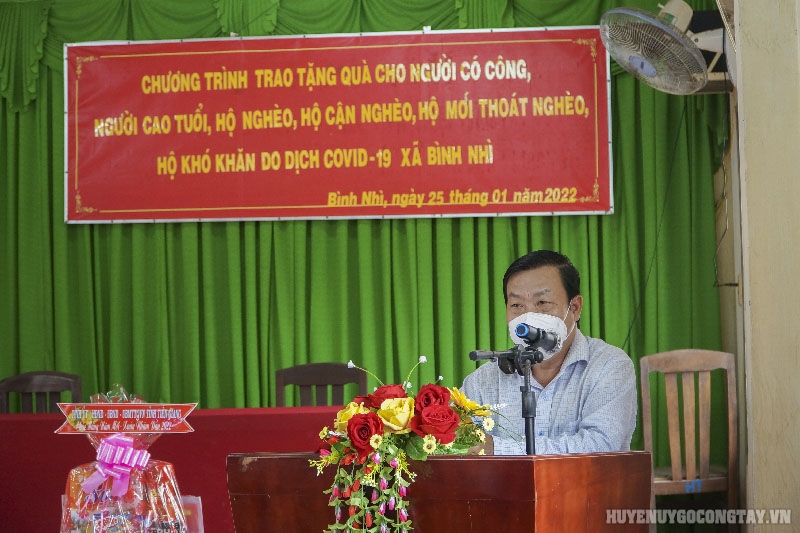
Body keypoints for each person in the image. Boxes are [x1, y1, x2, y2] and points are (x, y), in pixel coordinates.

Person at [461, 250, 637, 455]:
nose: (528, 317)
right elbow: (462, 445)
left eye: (542, 303)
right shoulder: (483, 381)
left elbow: (601, 445)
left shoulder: (609, 366)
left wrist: (497, 448)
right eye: (517, 305)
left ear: (575, 307)